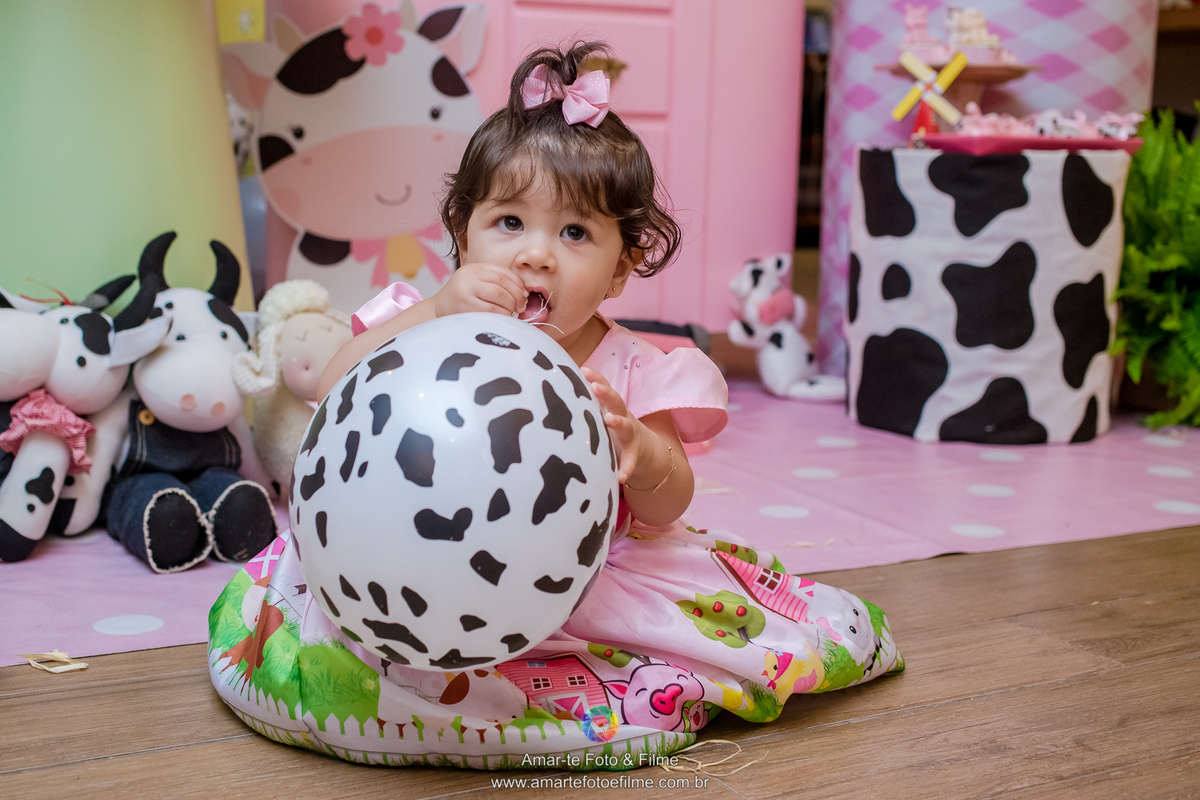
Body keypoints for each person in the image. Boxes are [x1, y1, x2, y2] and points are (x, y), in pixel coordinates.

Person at [208, 42, 903, 769]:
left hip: (583, 581)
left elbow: (669, 504)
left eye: (574, 233)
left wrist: (638, 451)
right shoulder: (428, 321)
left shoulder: (631, 369)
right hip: (411, 567)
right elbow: (334, 387)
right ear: (463, 235)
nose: (536, 254)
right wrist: (436, 311)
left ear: (620, 269)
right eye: (509, 223)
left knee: (690, 631)